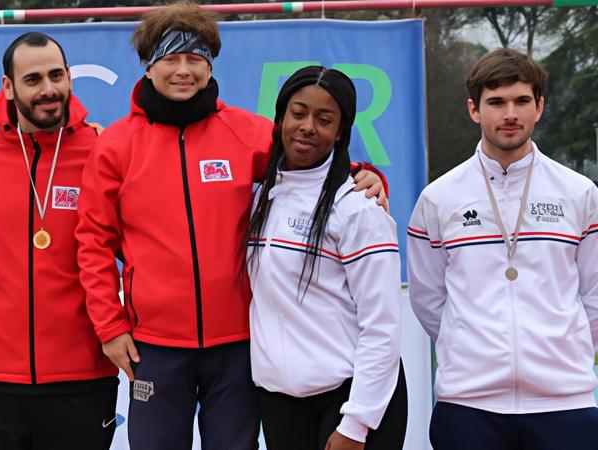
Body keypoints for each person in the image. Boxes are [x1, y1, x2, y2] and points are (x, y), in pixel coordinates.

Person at [75, 2, 387, 448]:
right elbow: (92, 241)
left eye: (195, 59)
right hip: (155, 346)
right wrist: (110, 327)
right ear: (148, 67)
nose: (184, 70)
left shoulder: (248, 132)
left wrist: (369, 177)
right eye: (170, 58)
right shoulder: (117, 146)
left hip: (238, 344)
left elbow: (315, 166)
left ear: (210, 64)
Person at [0, 32, 118, 450]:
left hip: (83, 378)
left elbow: (146, 246)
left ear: (70, 78)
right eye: (32, 79)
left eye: (56, 75)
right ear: (9, 87)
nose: (48, 89)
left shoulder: (104, 152)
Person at [408, 48, 598, 450]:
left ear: (539, 107)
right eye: (496, 102)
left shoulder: (579, 193)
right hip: (468, 406)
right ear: (474, 110)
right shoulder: (438, 198)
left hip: (565, 403)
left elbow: (594, 295)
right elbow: (429, 299)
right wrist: (470, 348)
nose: (509, 113)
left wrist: (564, 353)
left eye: (521, 101)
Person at [247, 66, 407, 450]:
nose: (307, 127)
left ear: (340, 132)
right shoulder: (257, 198)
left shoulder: (358, 207)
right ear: (280, 118)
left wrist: (358, 422)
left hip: (351, 399)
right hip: (282, 401)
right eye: (298, 113)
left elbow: (382, 325)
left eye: (324, 119)